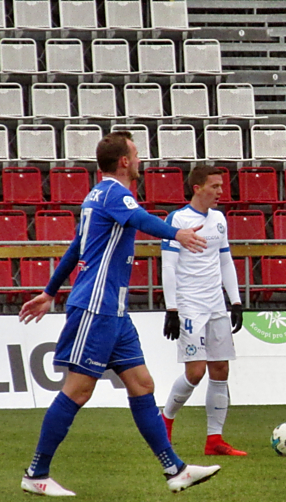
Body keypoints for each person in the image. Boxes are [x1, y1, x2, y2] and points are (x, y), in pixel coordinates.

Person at [19, 132, 221, 496]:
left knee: (142, 384)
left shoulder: (97, 195)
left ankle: (174, 469)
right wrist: (178, 234)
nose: (140, 159)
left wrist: (50, 292)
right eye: (136, 153)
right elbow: (141, 220)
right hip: (97, 306)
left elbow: (76, 248)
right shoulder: (114, 192)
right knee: (78, 390)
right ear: (124, 161)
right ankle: (36, 473)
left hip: (115, 310)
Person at [160, 165, 246, 456]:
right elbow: (169, 265)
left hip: (215, 305)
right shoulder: (178, 220)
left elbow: (225, 261)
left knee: (220, 370)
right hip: (189, 306)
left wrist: (235, 301)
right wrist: (172, 309)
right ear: (197, 188)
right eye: (215, 186)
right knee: (195, 373)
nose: (221, 192)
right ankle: (166, 421)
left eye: (222, 186)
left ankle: (215, 440)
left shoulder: (219, 220)